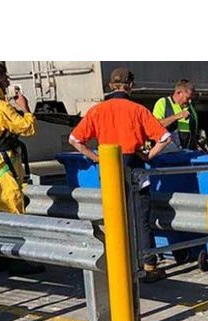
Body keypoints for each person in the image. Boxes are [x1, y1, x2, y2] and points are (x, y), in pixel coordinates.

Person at [68, 67, 171, 282]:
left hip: (109, 167)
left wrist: (96, 158)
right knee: (141, 216)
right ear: (131, 85)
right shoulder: (138, 110)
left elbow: (74, 140)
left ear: (110, 86)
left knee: (114, 216)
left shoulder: (97, 111)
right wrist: (148, 156)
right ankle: (148, 265)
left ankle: (118, 264)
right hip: (134, 166)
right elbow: (164, 138)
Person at [0, 62, 44, 275]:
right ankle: (17, 261)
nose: (8, 83)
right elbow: (27, 128)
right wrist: (25, 108)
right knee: (13, 209)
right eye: (6, 79)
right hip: (4, 165)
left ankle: (0, 260)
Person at [153, 79, 198, 150]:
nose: (190, 101)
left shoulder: (191, 108)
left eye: (191, 98)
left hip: (187, 153)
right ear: (178, 93)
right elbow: (155, 126)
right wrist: (176, 116)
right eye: (187, 98)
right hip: (167, 152)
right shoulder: (163, 103)